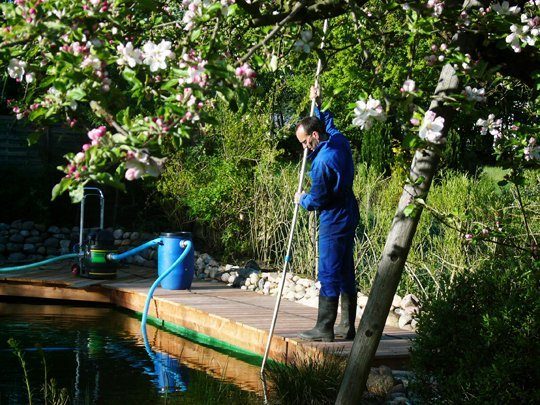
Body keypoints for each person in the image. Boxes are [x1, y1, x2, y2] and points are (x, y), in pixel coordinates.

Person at [294, 86, 359, 342]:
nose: (304, 148)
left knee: (329, 270)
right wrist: (320, 104)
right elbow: (330, 125)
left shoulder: (322, 163)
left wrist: (302, 200)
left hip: (333, 216)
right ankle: (346, 326)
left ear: (314, 135)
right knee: (345, 268)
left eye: (305, 142)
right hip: (349, 211)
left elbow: (318, 200)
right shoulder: (338, 142)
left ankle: (324, 328)